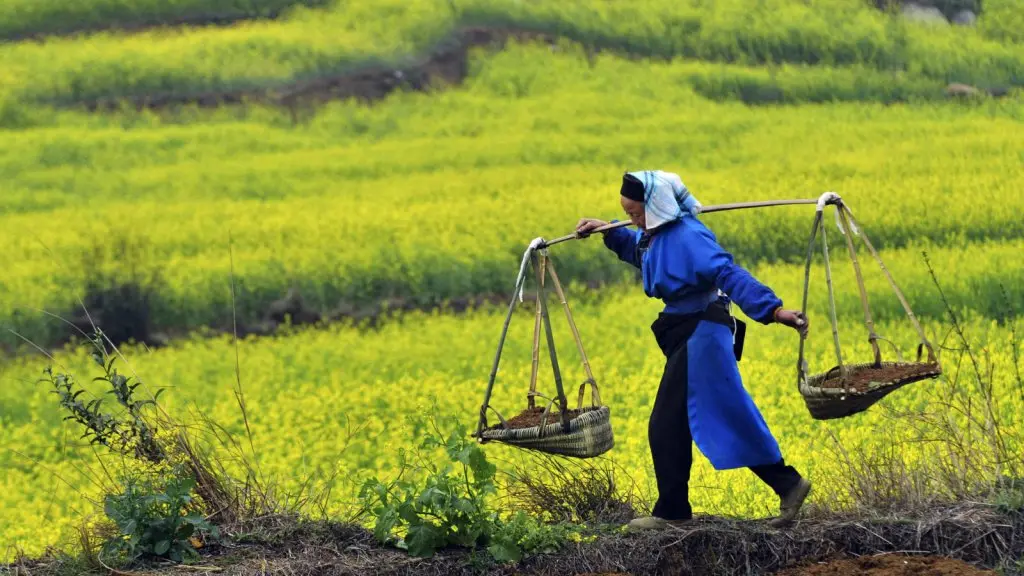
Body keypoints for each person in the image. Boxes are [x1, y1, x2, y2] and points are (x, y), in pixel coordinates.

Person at [575, 170, 812, 530]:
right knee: (718, 415)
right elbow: (642, 254)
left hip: (702, 332)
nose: (633, 220)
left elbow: (729, 274)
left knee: (666, 423)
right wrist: (608, 231)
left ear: (656, 206)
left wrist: (774, 310)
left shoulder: (688, 236)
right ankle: (787, 484)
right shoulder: (655, 235)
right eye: (627, 213)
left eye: (636, 213)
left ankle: (672, 512)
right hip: (690, 333)